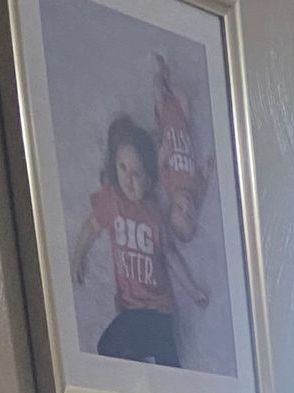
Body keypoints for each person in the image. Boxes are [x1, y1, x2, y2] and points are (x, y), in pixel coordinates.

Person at [71, 114, 206, 367]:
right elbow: (90, 226)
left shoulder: (154, 212)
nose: (128, 179)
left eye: (136, 173)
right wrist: (79, 256)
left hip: (160, 310)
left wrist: (193, 290)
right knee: (106, 348)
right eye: (122, 168)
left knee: (171, 370)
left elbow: (171, 256)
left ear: (149, 178)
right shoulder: (112, 200)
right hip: (131, 308)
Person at [152, 53, 211, 244]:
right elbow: (205, 179)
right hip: (184, 128)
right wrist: (208, 170)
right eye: (190, 215)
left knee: (159, 97)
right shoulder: (197, 193)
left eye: (179, 208)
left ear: (170, 204)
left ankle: (162, 77)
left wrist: (163, 152)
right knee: (184, 99)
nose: (186, 205)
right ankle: (169, 81)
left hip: (167, 128)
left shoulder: (170, 187)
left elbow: (161, 166)